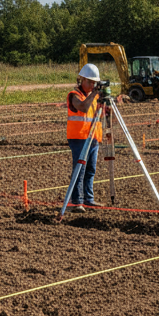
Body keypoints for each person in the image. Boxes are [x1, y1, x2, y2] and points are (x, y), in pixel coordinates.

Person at [65, 63, 106, 210]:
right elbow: (82, 107)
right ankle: (77, 201)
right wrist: (95, 94)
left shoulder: (93, 97)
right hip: (79, 138)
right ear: (82, 80)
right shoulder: (74, 95)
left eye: (94, 82)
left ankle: (88, 199)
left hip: (93, 138)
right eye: (90, 82)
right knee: (80, 170)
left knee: (90, 170)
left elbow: (104, 113)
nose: (92, 85)